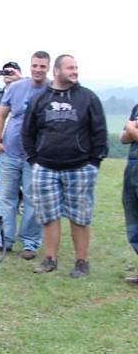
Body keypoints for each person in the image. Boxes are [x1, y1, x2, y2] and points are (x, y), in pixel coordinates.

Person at [22, 54, 108, 277]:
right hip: (45, 168)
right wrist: (34, 160)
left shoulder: (88, 98)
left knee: (80, 217)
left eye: (76, 68)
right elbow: (28, 132)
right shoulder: (39, 99)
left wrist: (93, 163)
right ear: (57, 71)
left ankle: (82, 262)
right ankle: (50, 259)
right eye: (70, 68)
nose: (75, 71)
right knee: (48, 216)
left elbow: (99, 132)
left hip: (80, 168)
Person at [0, 53, 49, 259]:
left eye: (42, 66)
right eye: (35, 65)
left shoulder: (51, 90)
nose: (38, 69)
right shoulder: (16, 88)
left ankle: (30, 243)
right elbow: (1, 114)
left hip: (36, 156)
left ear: (48, 68)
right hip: (9, 151)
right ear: (30, 66)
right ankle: (2, 241)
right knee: (6, 197)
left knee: (33, 200)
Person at [120, 103, 138, 283]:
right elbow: (124, 138)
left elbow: (131, 131)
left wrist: (131, 126)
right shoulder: (137, 107)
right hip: (132, 166)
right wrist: (131, 130)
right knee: (134, 222)